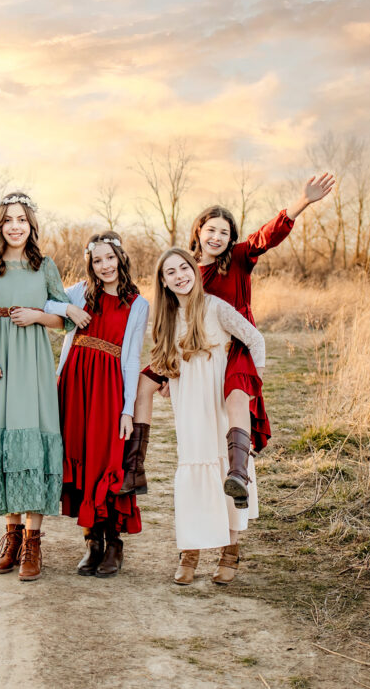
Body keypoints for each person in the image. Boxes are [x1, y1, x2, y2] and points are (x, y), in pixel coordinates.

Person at [141, 173, 335, 583]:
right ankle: (183, 538)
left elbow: (267, 236)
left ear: (231, 240)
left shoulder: (239, 258)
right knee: (192, 449)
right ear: (198, 232)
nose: (216, 236)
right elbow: (169, 320)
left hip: (237, 354)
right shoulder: (185, 270)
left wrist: (301, 203)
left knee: (231, 419)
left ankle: (236, 486)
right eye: (210, 229)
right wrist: (164, 370)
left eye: (224, 232)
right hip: (194, 362)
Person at [0, 192, 73, 582]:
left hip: (33, 364)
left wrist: (38, 316)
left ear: (31, 226)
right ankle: (10, 537)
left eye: (22, 220)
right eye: (8, 219)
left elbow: (66, 319)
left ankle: (33, 542)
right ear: (0, 226)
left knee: (34, 441)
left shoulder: (45, 267)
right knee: (2, 443)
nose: (15, 226)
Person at [150, 248, 265, 586]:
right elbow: (163, 358)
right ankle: (190, 551)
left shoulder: (215, 307)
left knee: (223, 468)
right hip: (188, 403)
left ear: (194, 270)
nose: (179, 275)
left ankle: (230, 550)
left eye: (184, 267)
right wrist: (166, 380)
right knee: (193, 469)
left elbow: (255, 340)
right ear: (163, 281)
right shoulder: (166, 317)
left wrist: (251, 387)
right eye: (170, 272)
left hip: (218, 398)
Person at [46, 231, 149, 578]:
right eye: (97, 260)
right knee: (81, 455)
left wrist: (127, 409)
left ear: (121, 257)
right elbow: (46, 303)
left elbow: (132, 358)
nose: (104, 265)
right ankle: (92, 543)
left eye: (110, 258)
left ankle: (114, 543)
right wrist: (68, 308)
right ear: (90, 263)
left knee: (107, 458)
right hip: (74, 386)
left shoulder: (137, 303)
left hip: (108, 389)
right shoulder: (79, 292)